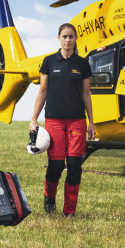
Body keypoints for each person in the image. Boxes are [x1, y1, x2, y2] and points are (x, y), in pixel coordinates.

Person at [28, 22, 94, 217]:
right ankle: (49, 196)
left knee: (74, 166)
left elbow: (86, 94)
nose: (67, 40)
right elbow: (43, 91)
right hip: (54, 121)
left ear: (75, 39)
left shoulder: (82, 64)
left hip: (77, 122)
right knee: (56, 165)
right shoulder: (49, 62)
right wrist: (33, 119)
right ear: (58, 38)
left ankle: (69, 210)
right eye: (64, 36)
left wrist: (92, 121)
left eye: (71, 37)